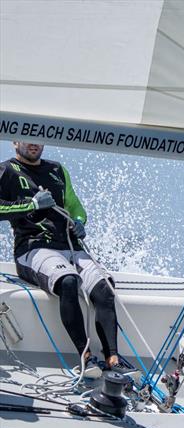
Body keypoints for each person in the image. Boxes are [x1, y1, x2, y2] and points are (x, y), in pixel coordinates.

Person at [0, 142, 121, 376]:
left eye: (39, 136)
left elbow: (76, 207)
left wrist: (79, 222)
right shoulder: (5, 170)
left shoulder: (57, 169)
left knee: (104, 288)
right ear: (15, 141)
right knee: (68, 281)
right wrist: (30, 205)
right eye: (26, 137)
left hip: (70, 246)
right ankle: (85, 356)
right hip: (32, 248)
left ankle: (113, 358)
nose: (34, 142)